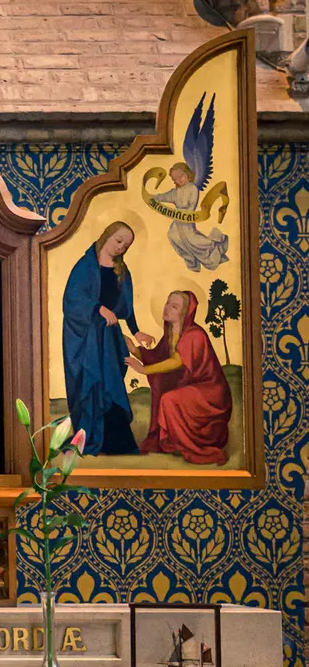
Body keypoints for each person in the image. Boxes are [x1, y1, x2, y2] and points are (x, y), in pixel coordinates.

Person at [61, 221, 154, 456]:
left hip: (108, 340)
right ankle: (89, 437)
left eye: (126, 245)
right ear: (107, 236)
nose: (121, 247)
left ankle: (117, 442)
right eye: (119, 240)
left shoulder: (121, 271)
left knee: (110, 385)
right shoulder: (85, 267)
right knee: (91, 385)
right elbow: (71, 299)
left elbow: (127, 308)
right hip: (85, 338)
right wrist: (98, 308)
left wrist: (136, 331)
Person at [126, 289, 232, 464]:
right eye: (168, 303)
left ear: (184, 312)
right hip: (194, 388)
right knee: (168, 393)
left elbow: (176, 361)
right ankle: (175, 442)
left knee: (169, 399)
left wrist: (144, 370)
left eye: (174, 306)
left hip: (210, 391)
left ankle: (194, 446)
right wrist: (132, 348)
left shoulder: (194, 334)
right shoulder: (171, 335)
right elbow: (155, 358)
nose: (167, 308)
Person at [164, 160, 229, 272]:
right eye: (175, 179)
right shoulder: (176, 192)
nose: (179, 180)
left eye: (181, 176)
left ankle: (215, 243)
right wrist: (154, 198)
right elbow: (165, 196)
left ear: (187, 174)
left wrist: (184, 214)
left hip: (187, 219)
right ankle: (191, 261)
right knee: (173, 236)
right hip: (177, 221)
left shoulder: (192, 188)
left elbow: (191, 205)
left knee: (193, 239)